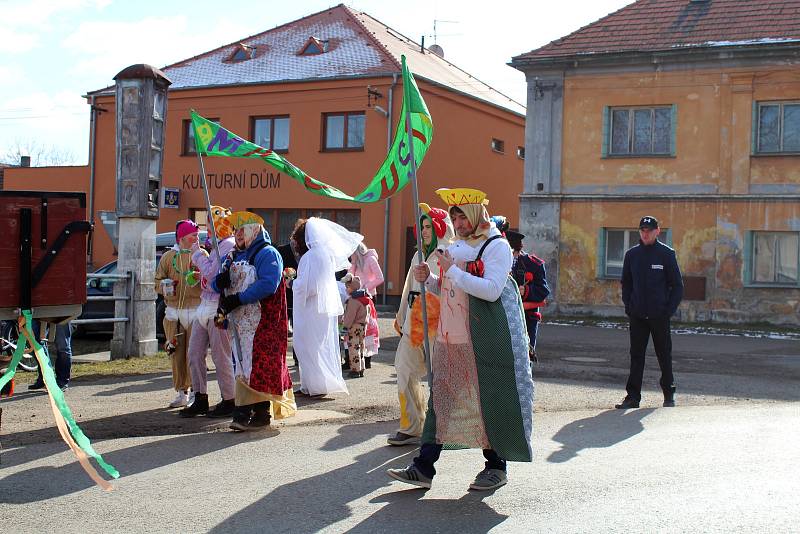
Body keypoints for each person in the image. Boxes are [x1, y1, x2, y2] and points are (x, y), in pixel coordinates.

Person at [387, 188, 534, 491]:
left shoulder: (497, 246)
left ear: (476, 215)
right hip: (451, 335)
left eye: (461, 215)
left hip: (484, 336)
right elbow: (451, 288)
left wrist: (452, 271)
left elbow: (491, 290)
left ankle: (496, 467)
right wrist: (430, 278)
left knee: (487, 401)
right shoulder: (458, 246)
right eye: (454, 216)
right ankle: (423, 467)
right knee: (441, 401)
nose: (458, 221)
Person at [213, 211, 295, 431]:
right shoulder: (232, 256)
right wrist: (218, 283)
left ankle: (245, 414)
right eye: (236, 230)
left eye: (243, 230)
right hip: (239, 323)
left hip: (262, 322)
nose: (238, 235)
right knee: (243, 366)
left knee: (255, 367)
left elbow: (269, 284)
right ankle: (259, 414)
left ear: (254, 231)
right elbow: (217, 284)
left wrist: (239, 299)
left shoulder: (268, 254)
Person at [387, 203, 453, 447]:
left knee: (440, 378)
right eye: (422, 226)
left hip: (440, 325)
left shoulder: (448, 255)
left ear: (438, 227)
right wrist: (401, 317)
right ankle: (412, 426)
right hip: (415, 322)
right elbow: (408, 289)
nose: (424, 231)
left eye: (429, 226)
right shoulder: (418, 255)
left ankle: (441, 429)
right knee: (404, 369)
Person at [616, 216, 683, 409]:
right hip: (637, 315)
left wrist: (667, 310)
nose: (645, 234)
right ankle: (633, 397)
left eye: (649, 230)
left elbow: (677, 286)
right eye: (642, 230)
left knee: (664, 354)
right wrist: (629, 305)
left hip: (659, 315)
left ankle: (669, 393)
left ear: (657, 232)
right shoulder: (632, 255)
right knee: (636, 355)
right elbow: (626, 283)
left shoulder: (666, 254)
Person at [290, 217, 361, 397]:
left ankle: (314, 386)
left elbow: (308, 286)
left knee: (307, 345)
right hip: (321, 309)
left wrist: (291, 283)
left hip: (310, 309)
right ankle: (315, 384)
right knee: (318, 346)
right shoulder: (324, 254)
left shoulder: (310, 257)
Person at [180, 206, 236, 418]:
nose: (208, 231)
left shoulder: (227, 245)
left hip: (218, 307)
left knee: (221, 356)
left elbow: (213, 273)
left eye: (211, 225)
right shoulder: (216, 246)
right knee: (194, 353)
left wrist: (197, 256)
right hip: (204, 304)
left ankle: (229, 398)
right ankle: (200, 397)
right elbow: (207, 275)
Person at [154, 220, 202, 408]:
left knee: (194, 354)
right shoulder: (168, 257)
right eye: (193, 235)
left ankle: (194, 391)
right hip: (173, 313)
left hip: (195, 312)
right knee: (175, 352)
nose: (196, 238)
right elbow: (157, 281)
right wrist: (165, 287)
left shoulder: (200, 255)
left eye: (197, 235)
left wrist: (199, 278)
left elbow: (207, 280)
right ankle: (181, 391)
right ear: (182, 237)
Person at [505, 227, 550, 362]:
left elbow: (543, 290)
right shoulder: (495, 261)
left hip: (526, 319)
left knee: (524, 357)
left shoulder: (533, 264)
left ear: (517, 250)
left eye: (512, 253)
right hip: (503, 317)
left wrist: (527, 291)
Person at [348, 242, 383, 368]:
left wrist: (365, 288)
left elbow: (380, 278)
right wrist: (352, 263)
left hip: (369, 297)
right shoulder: (355, 262)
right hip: (356, 297)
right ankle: (354, 359)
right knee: (356, 327)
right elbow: (349, 277)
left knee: (369, 328)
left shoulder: (370, 259)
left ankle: (367, 359)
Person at [27, 321, 72, 391]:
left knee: (63, 346)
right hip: (38, 312)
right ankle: (44, 379)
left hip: (62, 313)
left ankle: (62, 381)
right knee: (35, 345)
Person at [339, 274, 368, 378]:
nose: (346, 289)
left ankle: (355, 370)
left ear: (352, 288)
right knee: (361, 346)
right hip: (362, 326)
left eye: (347, 287)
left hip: (354, 327)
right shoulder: (364, 298)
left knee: (353, 348)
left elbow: (350, 316)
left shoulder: (353, 301)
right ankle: (361, 367)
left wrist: (345, 327)